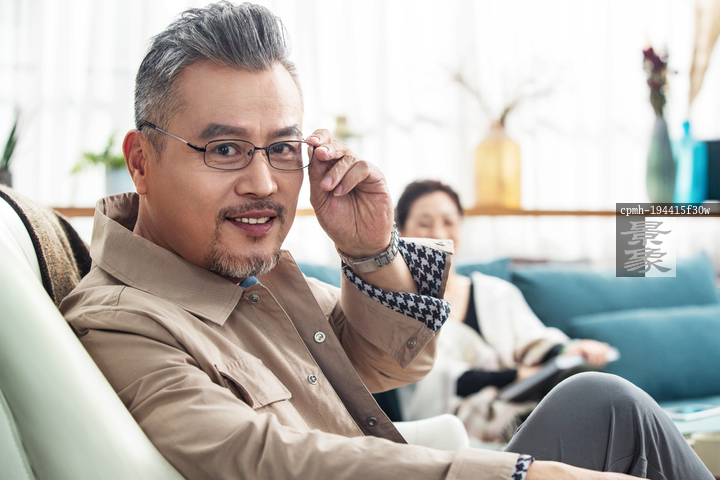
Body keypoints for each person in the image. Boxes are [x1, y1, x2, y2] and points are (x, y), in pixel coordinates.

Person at [59, 3, 713, 480]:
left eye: (283, 148)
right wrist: (520, 473)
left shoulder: (246, 279)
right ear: (140, 162)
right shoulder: (121, 322)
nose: (262, 183)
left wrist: (370, 250)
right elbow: (265, 458)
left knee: (603, 402)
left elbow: (395, 365)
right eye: (224, 149)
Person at [395, 180, 613, 442]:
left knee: (585, 378)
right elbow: (440, 381)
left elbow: (534, 340)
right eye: (424, 223)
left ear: (461, 226)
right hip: (464, 415)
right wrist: (518, 375)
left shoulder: (496, 292)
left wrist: (570, 350)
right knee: (560, 419)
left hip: (526, 395)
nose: (439, 233)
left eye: (449, 222)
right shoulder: (400, 308)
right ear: (401, 231)